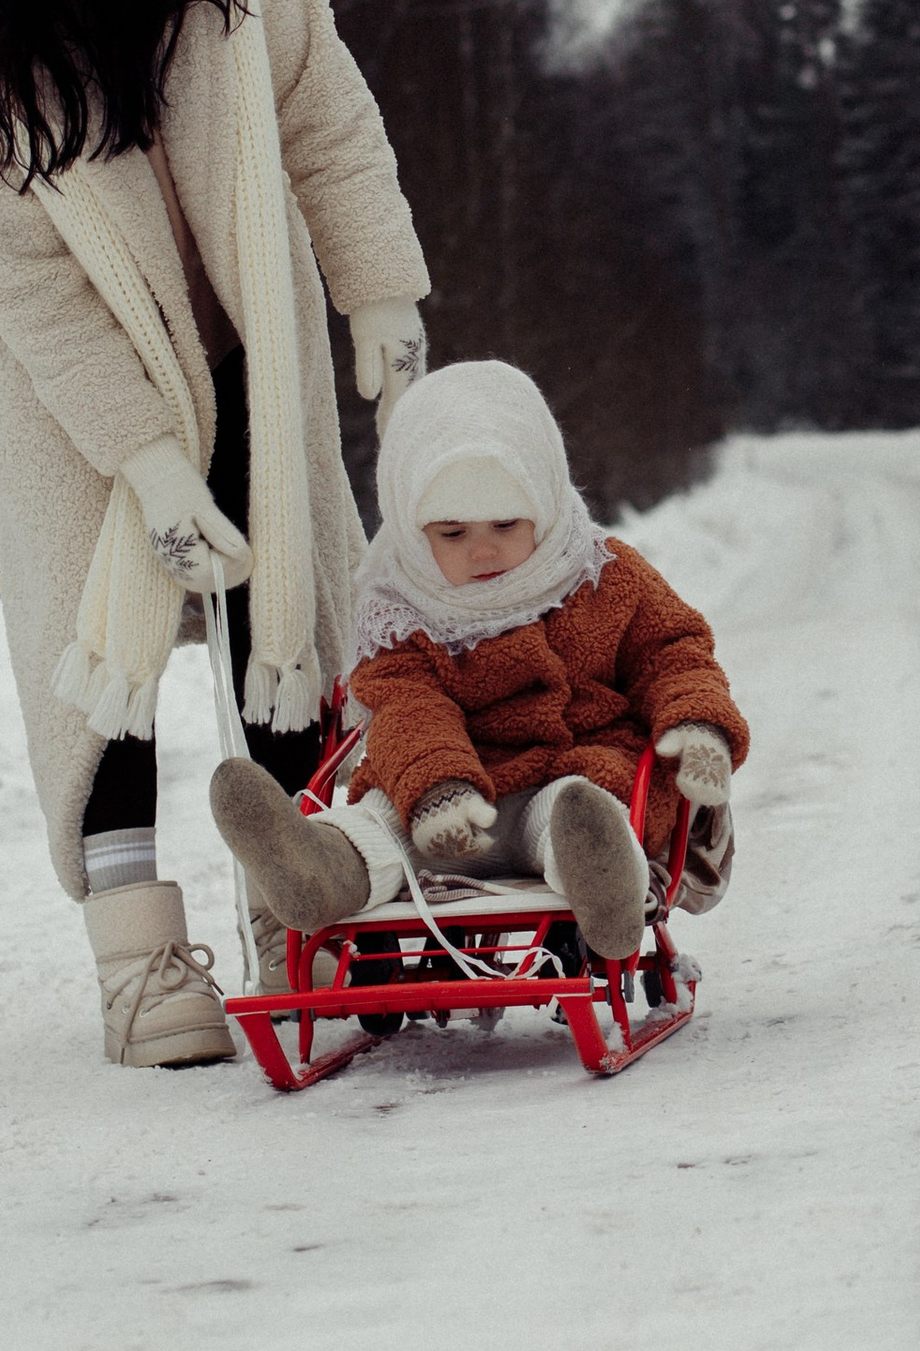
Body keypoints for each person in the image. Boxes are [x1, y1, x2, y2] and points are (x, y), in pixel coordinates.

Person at [0, 0, 430, 1069]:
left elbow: (324, 108)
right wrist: (143, 460)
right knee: (104, 647)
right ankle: (140, 964)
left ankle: (301, 910)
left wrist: (377, 287)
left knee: (285, 621)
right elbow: (26, 283)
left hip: (249, 323)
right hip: (65, 375)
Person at [211, 358, 745, 962]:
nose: (484, 549)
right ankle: (319, 869)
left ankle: (603, 884)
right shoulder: (403, 610)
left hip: (571, 782)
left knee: (579, 810)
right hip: (442, 806)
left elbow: (672, 652)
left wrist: (697, 721)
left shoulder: (603, 576)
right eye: (453, 533)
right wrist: (438, 787)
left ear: (541, 503)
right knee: (379, 823)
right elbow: (405, 708)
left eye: (504, 523)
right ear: (415, 531)